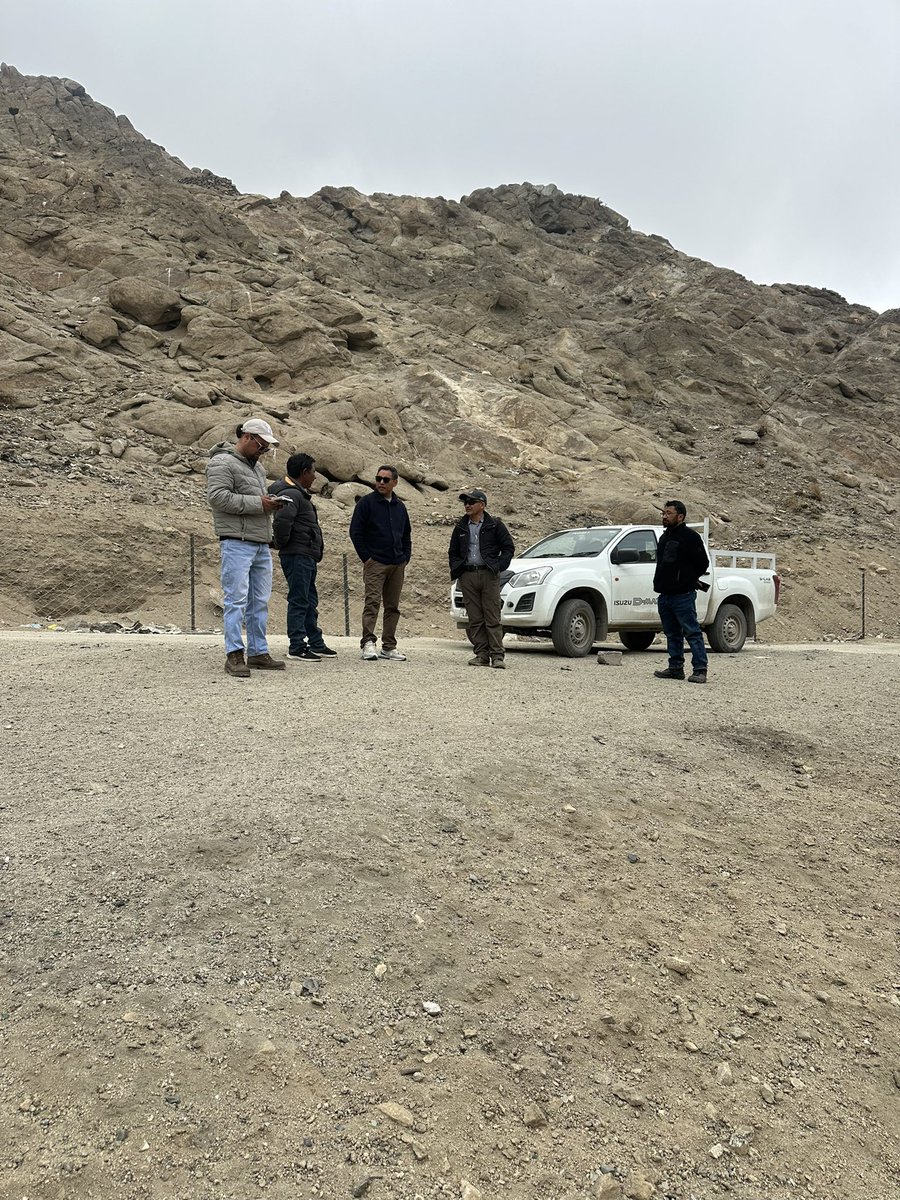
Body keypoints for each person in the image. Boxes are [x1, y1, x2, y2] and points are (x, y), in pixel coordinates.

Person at [206, 418, 287, 678]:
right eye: (262, 446)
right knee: (236, 600)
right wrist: (259, 504)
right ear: (248, 437)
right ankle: (234, 655)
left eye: (267, 449)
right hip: (236, 542)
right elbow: (217, 497)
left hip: (259, 541)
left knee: (259, 601)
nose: (264, 452)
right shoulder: (221, 462)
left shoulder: (257, 470)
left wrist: (268, 507)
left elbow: (255, 502)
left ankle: (258, 652)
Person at [269, 453, 337, 662]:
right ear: (304, 472)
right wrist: (282, 543)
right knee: (299, 600)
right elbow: (282, 522)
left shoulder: (298, 494)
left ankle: (315, 642)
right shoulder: (292, 494)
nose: (315, 477)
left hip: (305, 554)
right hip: (297, 554)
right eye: (313, 471)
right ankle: (297, 646)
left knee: (309, 600)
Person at [349, 465, 412, 661]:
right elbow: (355, 532)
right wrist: (366, 558)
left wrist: (405, 556)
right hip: (375, 562)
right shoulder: (366, 503)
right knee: (372, 603)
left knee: (392, 606)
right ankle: (368, 642)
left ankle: (389, 646)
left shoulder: (400, 506)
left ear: (395, 482)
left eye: (385, 479)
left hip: (397, 563)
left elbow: (406, 534)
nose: (381, 482)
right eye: (378, 478)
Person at [448, 488, 515, 669]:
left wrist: (499, 566)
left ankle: (497, 656)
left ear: (482, 505)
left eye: (471, 502)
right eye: (465, 503)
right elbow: (453, 551)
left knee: (492, 616)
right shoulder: (460, 526)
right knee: (475, 618)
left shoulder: (495, 525)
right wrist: (458, 569)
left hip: (488, 575)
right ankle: (481, 655)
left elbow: (508, 547)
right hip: (468, 575)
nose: (467, 505)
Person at [652, 499, 711, 684]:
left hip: (683, 595)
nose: (664, 516)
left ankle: (700, 669)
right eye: (663, 513)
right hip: (665, 594)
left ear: (680, 516)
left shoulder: (690, 537)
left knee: (692, 631)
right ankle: (675, 668)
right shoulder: (664, 537)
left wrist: (685, 579)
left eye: (668, 513)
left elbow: (703, 563)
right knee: (672, 633)